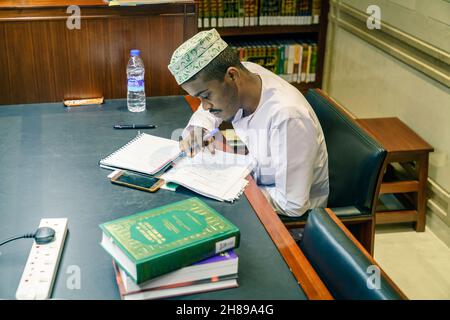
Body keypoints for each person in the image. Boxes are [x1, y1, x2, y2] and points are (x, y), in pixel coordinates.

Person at [168, 29, 329, 217]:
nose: (204, 106)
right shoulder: (248, 74)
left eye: (205, 96)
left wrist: (228, 189)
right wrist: (199, 127)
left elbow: (293, 205)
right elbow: (213, 110)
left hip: (291, 221)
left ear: (232, 76)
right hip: (258, 179)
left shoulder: (288, 117)